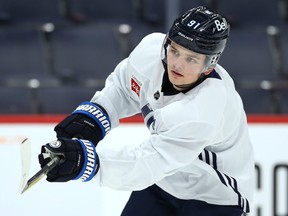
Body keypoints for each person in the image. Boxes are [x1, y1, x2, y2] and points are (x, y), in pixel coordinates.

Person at [38, 6, 254, 216]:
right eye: (175, 50)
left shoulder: (204, 108)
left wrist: (86, 161)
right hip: (164, 183)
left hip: (216, 195)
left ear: (209, 66)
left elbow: (150, 161)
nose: (177, 64)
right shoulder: (151, 50)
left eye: (191, 59)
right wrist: (94, 117)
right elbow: (124, 88)